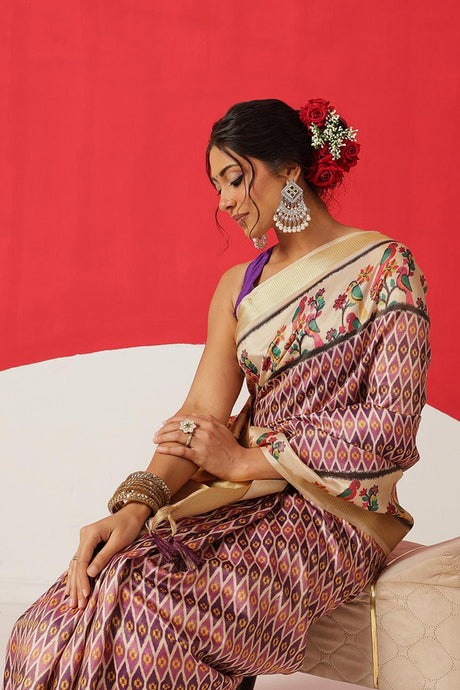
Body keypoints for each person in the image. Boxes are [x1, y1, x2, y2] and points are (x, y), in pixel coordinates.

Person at [3, 98, 430, 690]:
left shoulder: (387, 268)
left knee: (147, 612)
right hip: (238, 498)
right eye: (216, 186)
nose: (224, 201)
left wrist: (245, 460)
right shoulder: (240, 285)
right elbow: (200, 412)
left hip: (334, 513)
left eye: (234, 178)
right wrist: (134, 507)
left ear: (290, 170)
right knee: (56, 620)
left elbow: (390, 423)